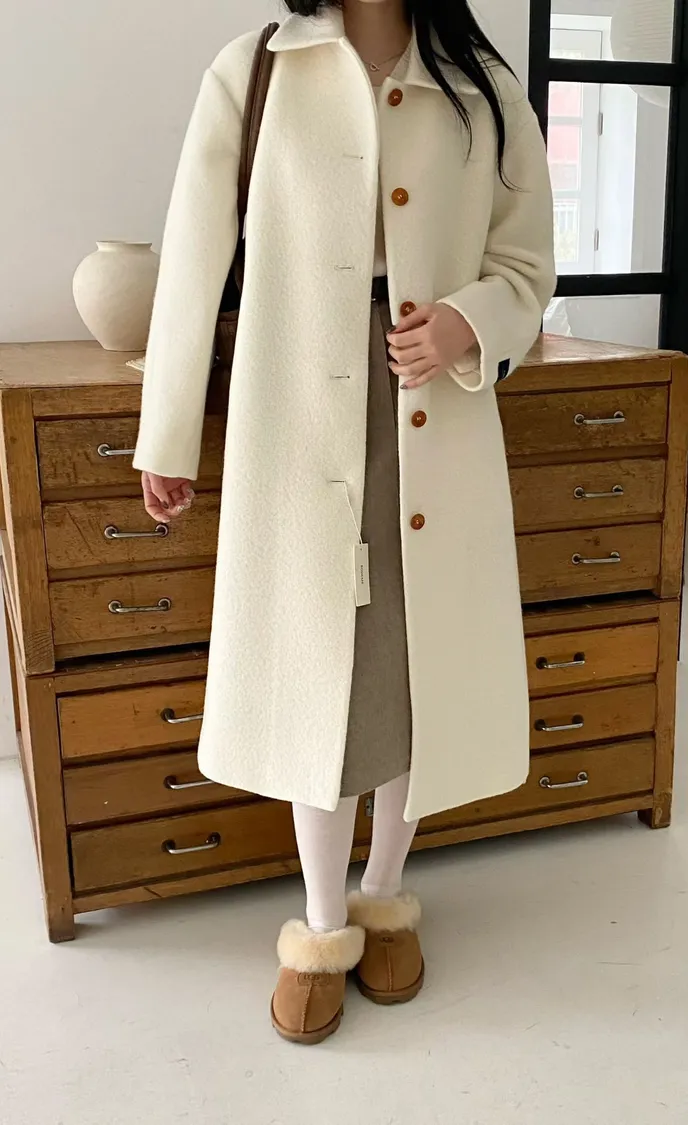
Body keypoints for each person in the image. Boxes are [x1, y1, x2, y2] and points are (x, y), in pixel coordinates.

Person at [133, 0, 555, 1045]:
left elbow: (529, 264)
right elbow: (193, 256)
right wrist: (169, 434)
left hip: (434, 407)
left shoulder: (482, 83)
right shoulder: (258, 68)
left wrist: (468, 322)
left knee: (418, 662)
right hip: (294, 407)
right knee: (317, 662)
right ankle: (322, 925)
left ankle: (383, 895)